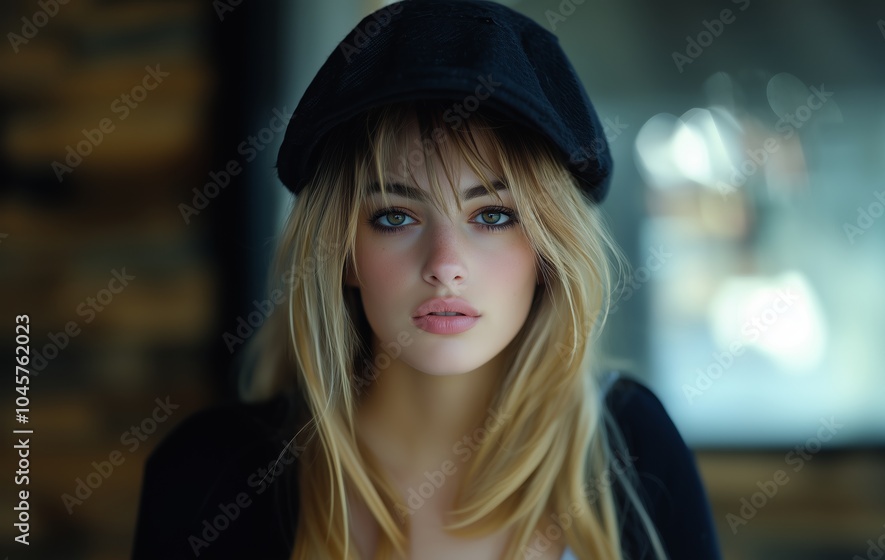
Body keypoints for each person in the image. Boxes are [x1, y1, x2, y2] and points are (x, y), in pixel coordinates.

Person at [131, 1, 721, 559]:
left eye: (493, 216)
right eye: (395, 217)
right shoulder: (207, 476)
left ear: (550, 248)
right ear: (342, 252)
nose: (444, 263)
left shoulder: (633, 449)